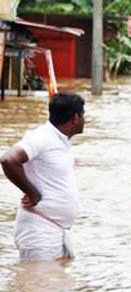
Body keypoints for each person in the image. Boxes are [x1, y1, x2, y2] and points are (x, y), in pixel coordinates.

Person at [1, 93, 85, 260]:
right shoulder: (42, 137)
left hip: (57, 230)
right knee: (37, 284)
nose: (85, 119)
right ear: (75, 117)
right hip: (39, 231)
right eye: (83, 114)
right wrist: (33, 193)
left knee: (56, 284)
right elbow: (8, 160)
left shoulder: (61, 140)